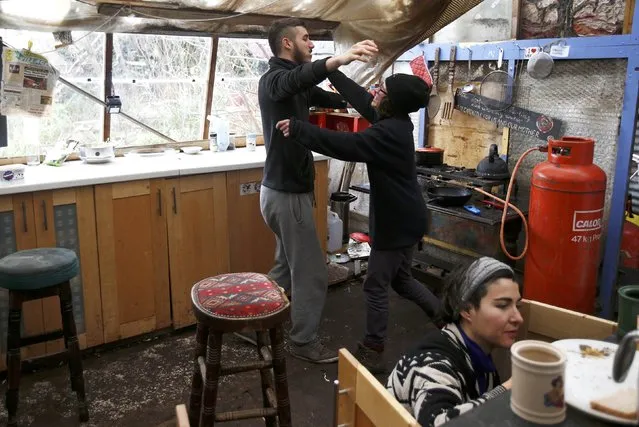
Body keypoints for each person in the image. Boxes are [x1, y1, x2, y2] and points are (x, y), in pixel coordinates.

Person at [275, 71, 442, 373]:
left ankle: (373, 348)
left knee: (375, 286)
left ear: (391, 100)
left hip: (397, 223)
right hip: (408, 217)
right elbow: (364, 100)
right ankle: (448, 318)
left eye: (382, 89)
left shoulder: (386, 132)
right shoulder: (395, 121)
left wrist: (299, 128)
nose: (374, 90)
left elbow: (344, 144)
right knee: (402, 281)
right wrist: (332, 71)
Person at [257, 17, 379, 364]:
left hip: (285, 192)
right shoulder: (274, 81)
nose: (311, 44)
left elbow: (325, 94)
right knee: (311, 273)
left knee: (285, 267)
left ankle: (253, 320)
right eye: (306, 39)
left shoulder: (296, 85)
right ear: (286, 44)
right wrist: (339, 59)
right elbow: (300, 78)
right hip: (285, 195)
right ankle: (303, 341)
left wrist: (370, 98)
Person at [386, 257, 523, 427]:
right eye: (502, 305)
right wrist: (509, 390)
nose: (518, 318)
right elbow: (438, 423)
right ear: (466, 309)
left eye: (518, 306)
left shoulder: (479, 358)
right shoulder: (433, 365)